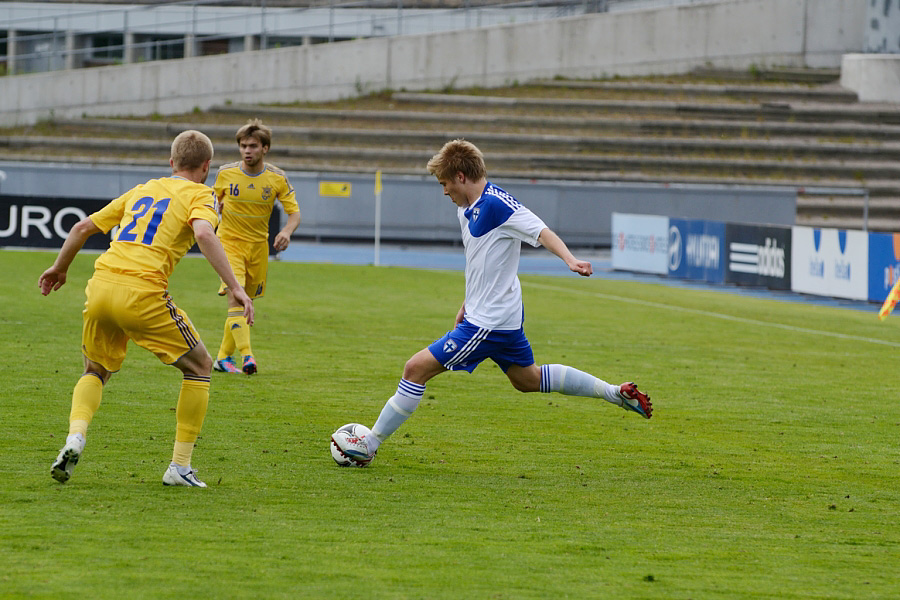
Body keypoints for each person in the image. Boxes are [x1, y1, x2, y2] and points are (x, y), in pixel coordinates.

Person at [335, 139, 652, 465]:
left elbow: (542, 231)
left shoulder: (498, 204)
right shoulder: (466, 210)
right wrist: (466, 302)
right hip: (498, 316)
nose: (444, 192)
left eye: (444, 183)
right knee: (526, 380)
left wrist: (570, 260)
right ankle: (615, 393)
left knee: (414, 369)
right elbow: (481, 262)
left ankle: (369, 443)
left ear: (460, 176)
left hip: (488, 323)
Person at [39, 130, 255, 488]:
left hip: (101, 285)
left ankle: (75, 436)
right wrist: (236, 288)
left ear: (171, 163)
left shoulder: (142, 189)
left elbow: (82, 227)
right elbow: (203, 234)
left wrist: (60, 268)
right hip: (142, 292)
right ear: (206, 166)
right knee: (201, 365)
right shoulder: (202, 194)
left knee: (95, 370)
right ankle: (180, 467)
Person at [211, 118, 301, 375]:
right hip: (228, 245)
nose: (247, 151)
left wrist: (286, 231)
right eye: (243, 146)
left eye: (252, 146)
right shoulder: (225, 173)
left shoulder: (277, 178)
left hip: (258, 248)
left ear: (265, 148)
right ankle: (247, 356)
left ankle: (221, 358)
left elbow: (294, 214)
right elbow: (210, 204)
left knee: (244, 303)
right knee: (236, 299)